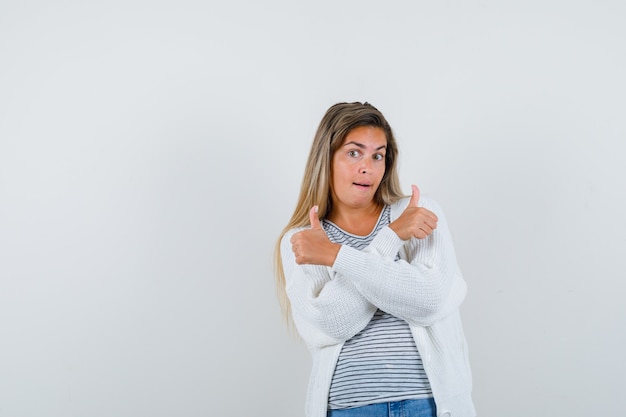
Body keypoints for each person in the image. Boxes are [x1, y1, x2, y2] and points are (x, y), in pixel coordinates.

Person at [274, 102, 475, 417]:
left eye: (377, 155)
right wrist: (390, 238)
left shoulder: (418, 214)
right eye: (354, 153)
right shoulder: (303, 241)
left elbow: (430, 300)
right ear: (326, 159)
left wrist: (337, 257)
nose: (367, 167)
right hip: (349, 409)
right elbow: (332, 323)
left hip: (428, 405)